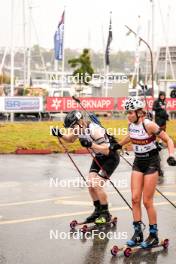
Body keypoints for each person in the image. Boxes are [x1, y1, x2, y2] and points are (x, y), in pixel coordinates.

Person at [115, 97, 176, 248]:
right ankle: (138, 234)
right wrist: (117, 145)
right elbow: (131, 136)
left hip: (151, 162)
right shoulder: (131, 125)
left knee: (147, 201)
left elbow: (168, 140)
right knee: (135, 199)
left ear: (139, 112)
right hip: (138, 162)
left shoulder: (148, 125)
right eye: (126, 112)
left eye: (130, 112)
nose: (128, 115)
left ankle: (154, 235)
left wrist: (171, 155)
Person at [51, 110, 120, 224]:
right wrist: (60, 134)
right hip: (99, 156)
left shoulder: (94, 130)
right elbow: (71, 139)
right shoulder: (79, 128)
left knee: (97, 184)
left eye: (73, 126)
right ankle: (98, 211)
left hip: (110, 157)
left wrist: (90, 144)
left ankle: (106, 213)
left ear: (80, 121)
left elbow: (107, 150)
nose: (73, 130)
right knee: (90, 184)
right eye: (70, 128)